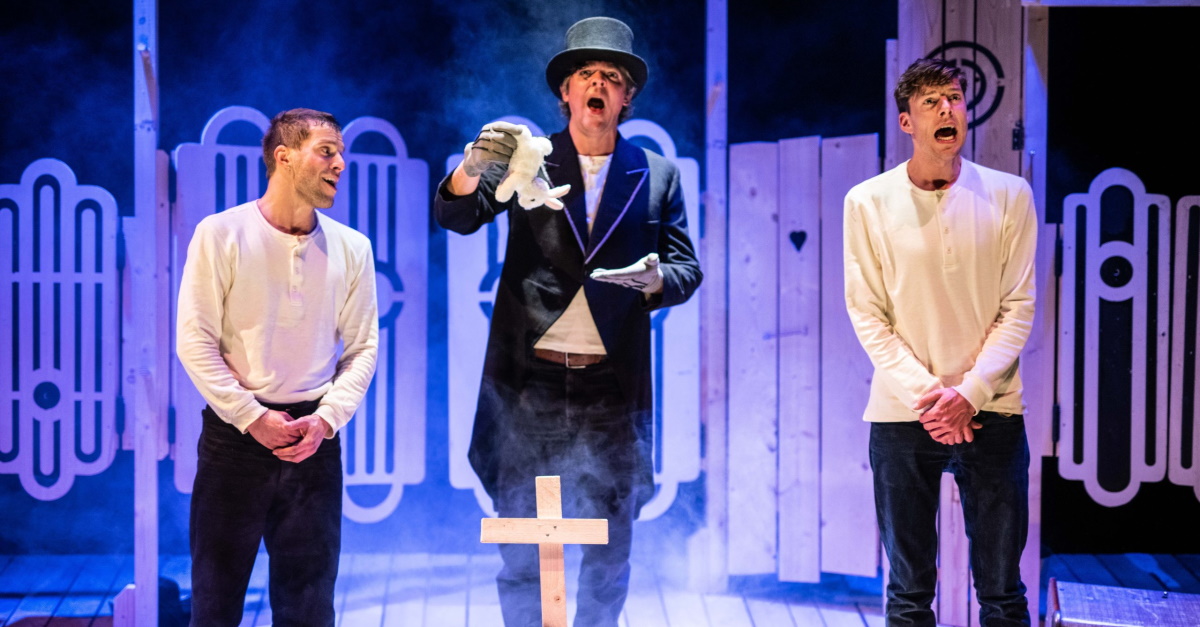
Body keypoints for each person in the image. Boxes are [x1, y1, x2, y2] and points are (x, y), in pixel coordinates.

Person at [435, 16, 701, 627]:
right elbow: (457, 215)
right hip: (529, 385)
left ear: (627, 95)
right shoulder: (530, 159)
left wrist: (654, 280)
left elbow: (686, 267)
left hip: (610, 388)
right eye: (586, 73)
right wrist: (472, 167)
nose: (598, 83)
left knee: (610, 548)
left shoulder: (656, 173)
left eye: (612, 75)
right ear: (566, 90)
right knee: (523, 547)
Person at [843, 58, 1037, 627]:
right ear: (907, 122)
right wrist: (934, 398)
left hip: (992, 410)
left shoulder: (1009, 194)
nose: (946, 109)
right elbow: (867, 312)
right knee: (908, 594)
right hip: (904, 414)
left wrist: (968, 395)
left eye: (953, 97)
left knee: (1002, 593)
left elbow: (1019, 307)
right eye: (930, 101)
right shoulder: (867, 201)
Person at [176, 108, 378, 627]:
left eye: (341, 153)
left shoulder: (353, 247)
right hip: (235, 440)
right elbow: (194, 340)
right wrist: (252, 416)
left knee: (309, 609)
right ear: (284, 157)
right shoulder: (220, 234)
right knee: (215, 606)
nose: (340, 164)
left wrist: (326, 420)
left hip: (313, 442)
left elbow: (362, 348)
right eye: (327, 151)